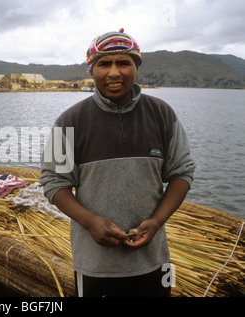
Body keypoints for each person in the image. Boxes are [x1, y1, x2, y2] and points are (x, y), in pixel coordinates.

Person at [39, 28, 195, 297]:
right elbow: (54, 182)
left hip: (154, 259)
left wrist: (156, 222)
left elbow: (182, 172)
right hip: (95, 264)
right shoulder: (70, 121)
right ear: (91, 70)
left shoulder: (161, 113)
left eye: (124, 62)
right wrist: (89, 222)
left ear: (136, 67)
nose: (114, 72)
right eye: (104, 64)